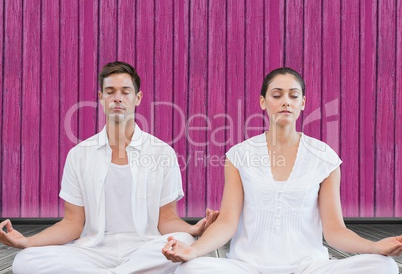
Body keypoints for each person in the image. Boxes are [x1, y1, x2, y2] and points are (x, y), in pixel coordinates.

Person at [162, 67, 401, 274]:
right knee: (189, 268)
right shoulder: (240, 155)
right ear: (263, 102)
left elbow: (335, 230)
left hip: (309, 267)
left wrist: (374, 246)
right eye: (277, 95)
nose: (286, 101)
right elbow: (226, 223)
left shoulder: (324, 157)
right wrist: (191, 251)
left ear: (302, 103)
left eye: (293, 95)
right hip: (247, 267)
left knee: (385, 266)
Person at [0, 61, 218, 274]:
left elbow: (166, 220)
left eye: (125, 91)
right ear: (100, 98)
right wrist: (27, 241)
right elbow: (72, 224)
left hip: (144, 248)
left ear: (137, 98)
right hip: (93, 251)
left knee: (184, 241)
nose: (117, 98)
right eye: (110, 91)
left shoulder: (162, 153)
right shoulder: (79, 155)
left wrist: (193, 229)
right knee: (25, 260)